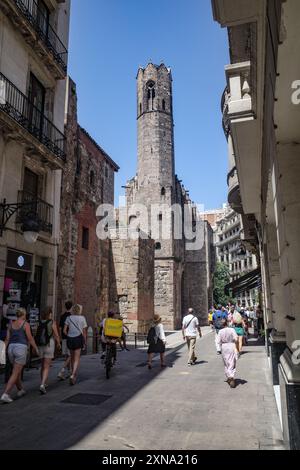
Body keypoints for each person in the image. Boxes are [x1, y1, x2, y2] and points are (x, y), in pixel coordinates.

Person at [1, 308, 39, 404]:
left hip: (11, 348)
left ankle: (20, 390)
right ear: (23, 314)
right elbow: (30, 338)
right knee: (15, 372)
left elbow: (7, 339)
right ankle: (6, 394)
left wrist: (2, 350)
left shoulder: (11, 325)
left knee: (16, 371)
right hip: (20, 348)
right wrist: (36, 348)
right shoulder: (25, 324)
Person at [36, 307, 61, 394]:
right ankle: (42, 384)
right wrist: (58, 343)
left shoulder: (39, 322)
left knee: (42, 366)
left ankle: (43, 382)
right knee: (47, 366)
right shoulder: (52, 322)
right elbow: (56, 335)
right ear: (49, 314)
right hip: (49, 344)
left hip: (40, 345)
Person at [63, 304, 87, 385]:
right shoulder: (82, 318)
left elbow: (64, 330)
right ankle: (73, 375)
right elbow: (84, 332)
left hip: (70, 339)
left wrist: (69, 335)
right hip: (78, 338)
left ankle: (72, 373)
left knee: (72, 357)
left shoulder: (68, 318)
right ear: (79, 310)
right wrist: (84, 341)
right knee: (76, 359)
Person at [217, 318, 239, 388]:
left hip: (224, 346)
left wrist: (219, 349)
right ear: (227, 323)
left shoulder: (220, 331)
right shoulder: (232, 330)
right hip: (231, 345)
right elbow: (236, 338)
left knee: (226, 362)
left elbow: (218, 341)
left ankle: (228, 376)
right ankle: (231, 376)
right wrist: (237, 348)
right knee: (232, 361)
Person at [57, 301, 73, 380]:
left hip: (63, 337)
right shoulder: (71, 316)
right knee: (71, 355)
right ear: (71, 307)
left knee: (67, 355)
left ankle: (69, 371)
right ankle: (62, 370)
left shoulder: (62, 316)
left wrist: (60, 337)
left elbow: (60, 328)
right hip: (70, 337)